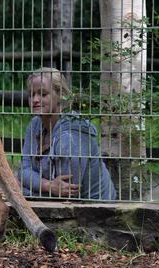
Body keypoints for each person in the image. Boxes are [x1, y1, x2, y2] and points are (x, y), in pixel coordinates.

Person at [18, 67, 117, 200]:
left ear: (60, 94)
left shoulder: (72, 133)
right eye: (31, 94)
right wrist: (48, 185)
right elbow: (23, 171)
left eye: (43, 94)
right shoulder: (35, 124)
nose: (35, 99)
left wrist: (24, 189)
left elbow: (67, 191)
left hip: (96, 210)